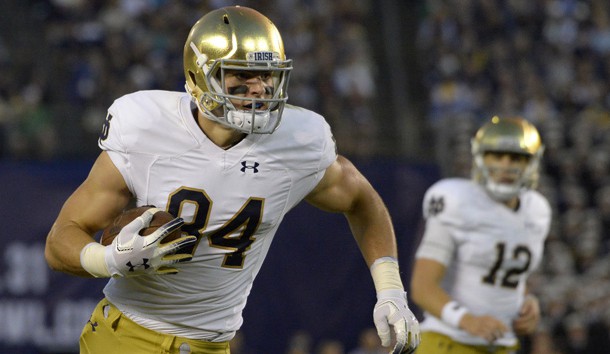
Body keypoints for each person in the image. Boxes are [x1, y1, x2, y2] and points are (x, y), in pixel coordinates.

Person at [44, 6, 420, 354]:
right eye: (241, 75)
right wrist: (109, 259)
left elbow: (362, 200)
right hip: (125, 335)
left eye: (268, 75)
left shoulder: (299, 141)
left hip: (213, 346)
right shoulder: (146, 127)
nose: (258, 88)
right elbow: (61, 238)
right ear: (197, 77)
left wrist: (390, 290)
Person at [410, 116, 551, 354]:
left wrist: (527, 302)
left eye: (516, 157)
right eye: (496, 155)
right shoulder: (456, 200)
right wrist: (468, 320)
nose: (505, 165)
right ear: (480, 157)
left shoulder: (537, 210)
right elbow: (422, 287)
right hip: (447, 343)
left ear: (532, 162)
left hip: (502, 346)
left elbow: (505, 274)